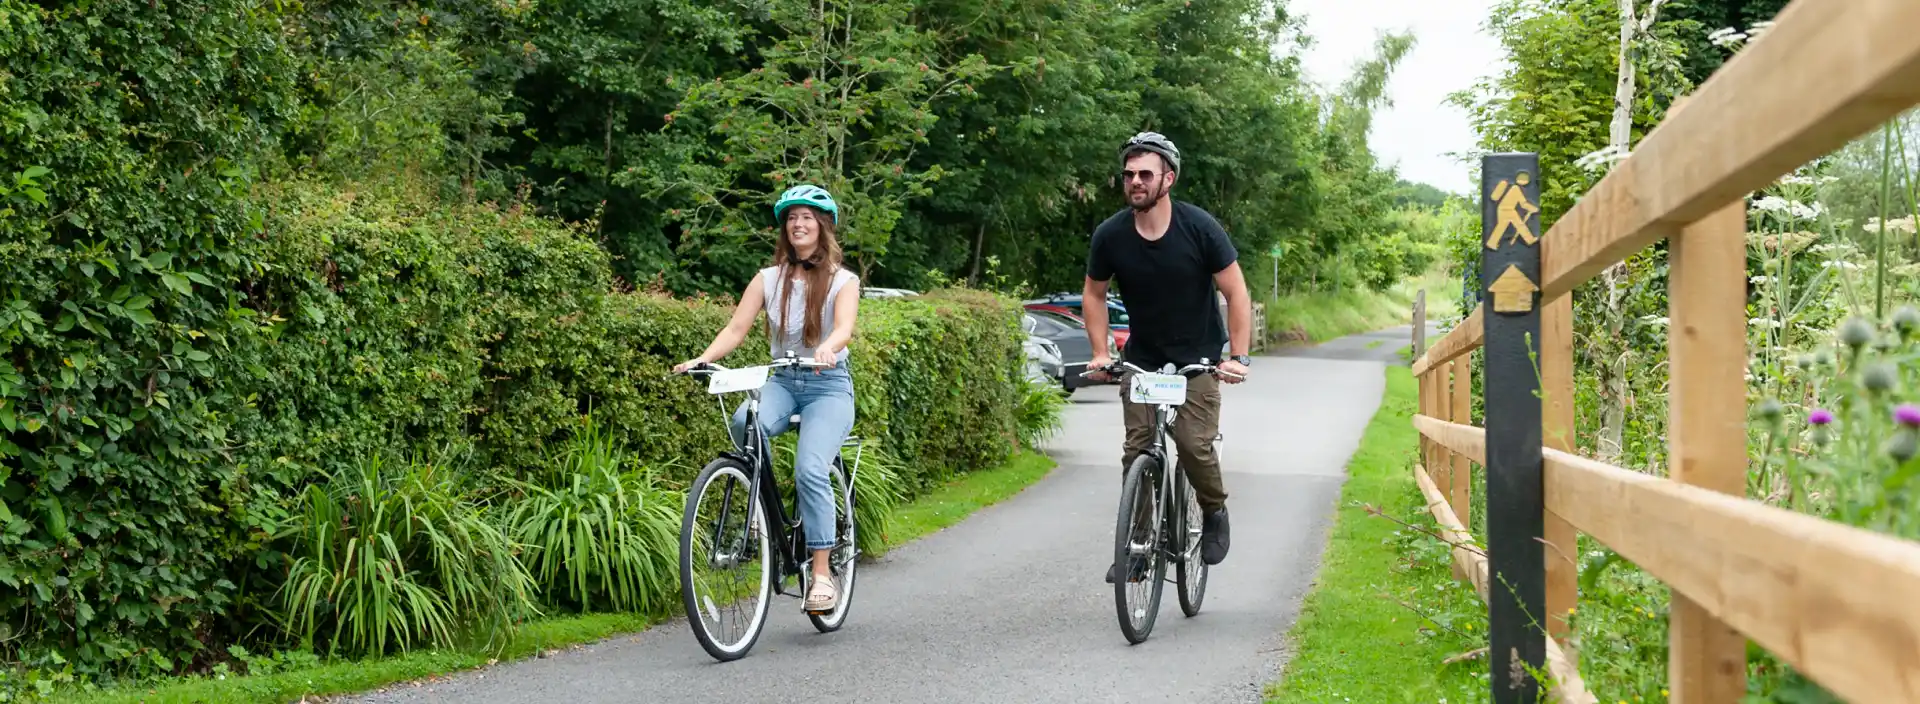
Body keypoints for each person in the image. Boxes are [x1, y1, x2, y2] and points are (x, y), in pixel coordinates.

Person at [674, 184, 860, 613]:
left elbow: (844, 327)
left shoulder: (842, 281)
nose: (798, 224)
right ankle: (764, 501)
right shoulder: (769, 279)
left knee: (811, 468)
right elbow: (735, 329)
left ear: (823, 226)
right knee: (744, 422)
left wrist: (830, 346)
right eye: (791, 218)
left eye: (807, 218)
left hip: (828, 385)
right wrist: (702, 359)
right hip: (782, 380)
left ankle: (820, 574)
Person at [1082, 132, 1253, 582]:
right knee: (1137, 452)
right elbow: (1094, 294)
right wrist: (1102, 352)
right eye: (1128, 175)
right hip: (1142, 361)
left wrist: (1238, 357)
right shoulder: (1111, 235)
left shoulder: (1199, 228)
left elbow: (1235, 292)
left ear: (1168, 179)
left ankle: (1214, 510)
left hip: (1197, 361)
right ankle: (1137, 548)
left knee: (1194, 446)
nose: (1135, 182)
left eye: (1145, 174)